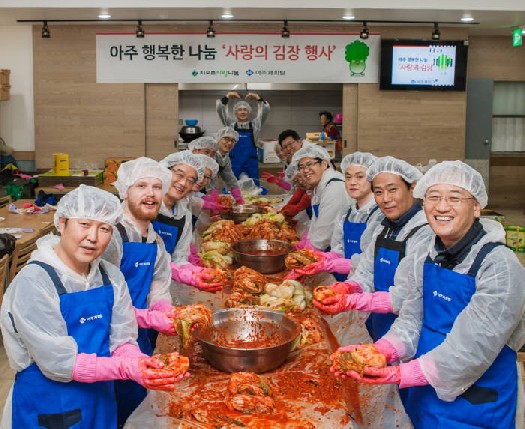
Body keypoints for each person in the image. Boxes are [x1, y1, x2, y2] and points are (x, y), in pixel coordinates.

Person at [337, 161, 525, 429]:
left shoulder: (500, 266)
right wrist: (380, 351)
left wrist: (405, 372)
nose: (442, 207)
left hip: (476, 402)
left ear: (476, 207)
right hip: (424, 391)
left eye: (455, 198)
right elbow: (411, 319)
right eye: (433, 197)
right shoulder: (425, 252)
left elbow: (472, 349)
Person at [0, 185, 182, 428]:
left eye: (104, 228)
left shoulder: (110, 277)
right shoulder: (35, 281)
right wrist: (125, 367)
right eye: (84, 224)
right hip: (49, 405)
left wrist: (137, 362)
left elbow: (123, 339)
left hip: (101, 401)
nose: (93, 237)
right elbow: (59, 363)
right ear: (62, 223)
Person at [314, 156, 433, 343]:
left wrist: (354, 301)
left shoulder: (424, 232)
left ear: (412, 188)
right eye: (378, 192)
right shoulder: (382, 227)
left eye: (393, 190)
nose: (386, 199)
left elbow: (405, 296)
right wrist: (349, 286)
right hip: (378, 320)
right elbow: (366, 270)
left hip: (407, 335)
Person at [104, 157, 182, 426]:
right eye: (141, 186)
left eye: (157, 187)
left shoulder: (155, 240)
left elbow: (159, 286)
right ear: (125, 191)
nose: (150, 194)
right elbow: (104, 303)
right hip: (105, 343)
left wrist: (164, 312)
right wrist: (148, 318)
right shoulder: (111, 237)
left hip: (139, 341)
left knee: (135, 411)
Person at [287, 152, 383, 281]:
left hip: (369, 285)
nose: (353, 182)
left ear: (372, 179)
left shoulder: (380, 215)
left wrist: (329, 264)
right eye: (348, 177)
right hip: (344, 278)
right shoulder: (346, 213)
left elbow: (371, 260)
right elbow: (338, 248)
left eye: (360, 177)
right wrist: (318, 259)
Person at [290, 145, 348, 251]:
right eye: (301, 167)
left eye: (309, 164)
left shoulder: (335, 187)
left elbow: (324, 232)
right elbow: (315, 223)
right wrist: (304, 242)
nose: (306, 170)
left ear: (324, 164)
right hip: (328, 246)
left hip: (341, 250)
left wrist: (307, 251)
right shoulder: (319, 186)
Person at [153, 151, 204, 263]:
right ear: (165, 171)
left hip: (167, 277)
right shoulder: (147, 203)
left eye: (190, 181)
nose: (183, 183)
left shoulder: (184, 215)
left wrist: (181, 271)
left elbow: (180, 255)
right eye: (180, 175)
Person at [216, 91, 270, 184]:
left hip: (251, 162)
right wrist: (227, 96)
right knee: (232, 189)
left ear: (248, 112)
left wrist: (258, 98)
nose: (242, 112)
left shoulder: (255, 125)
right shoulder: (230, 125)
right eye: (239, 110)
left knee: (254, 189)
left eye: (245, 110)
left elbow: (265, 111)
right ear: (235, 112)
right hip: (234, 163)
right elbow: (221, 110)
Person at [208, 127, 244, 204]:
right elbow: (211, 180)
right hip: (197, 190)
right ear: (218, 139)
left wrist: (238, 197)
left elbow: (229, 178)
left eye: (232, 141)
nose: (229, 143)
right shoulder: (211, 154)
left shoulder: (225, 158)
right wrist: (213, 197)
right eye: (226, 139)